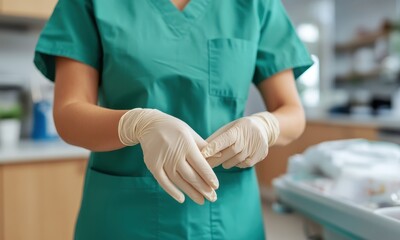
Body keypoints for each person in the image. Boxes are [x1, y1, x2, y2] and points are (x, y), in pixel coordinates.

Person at [33, 0, 313, 239]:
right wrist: (137, 124)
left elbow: (291, 111)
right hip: (124, 218)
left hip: (229, 217)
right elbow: (69, 111)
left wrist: (266, 126)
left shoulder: (255, 5)